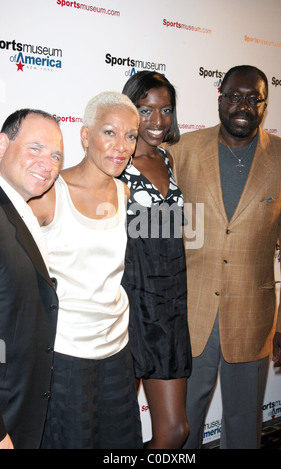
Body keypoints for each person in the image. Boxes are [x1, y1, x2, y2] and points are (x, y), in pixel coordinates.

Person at [166, 65, 281, 449]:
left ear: (265, 105)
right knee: (182, 426)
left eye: (254, 98)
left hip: (254, 318)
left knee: (244, 429)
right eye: (235, 96)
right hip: (190, 315)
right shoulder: (182, 152)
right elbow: (161, 235)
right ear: (220, 97)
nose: (243, 106)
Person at [29, 91, 143, 449]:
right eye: (109, 132)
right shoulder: (49, 194)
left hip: (118, 351)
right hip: (65, 355)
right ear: (85, 136)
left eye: (130, 136)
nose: (121, 146)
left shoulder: (124, 193)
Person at [120, 71, 192, 449]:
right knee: (115, 429)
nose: (157, 121)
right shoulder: (116, 161)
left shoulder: (168, 158)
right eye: (144, 110)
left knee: (175, 431)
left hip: (169, 306)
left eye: (165, 109)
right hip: (128, 306)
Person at [0, 109, 64, 449]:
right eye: (35, 148)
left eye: (55, 155)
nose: (47, 163)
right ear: (1, 145)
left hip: (27, 408)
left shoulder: (22, 211)